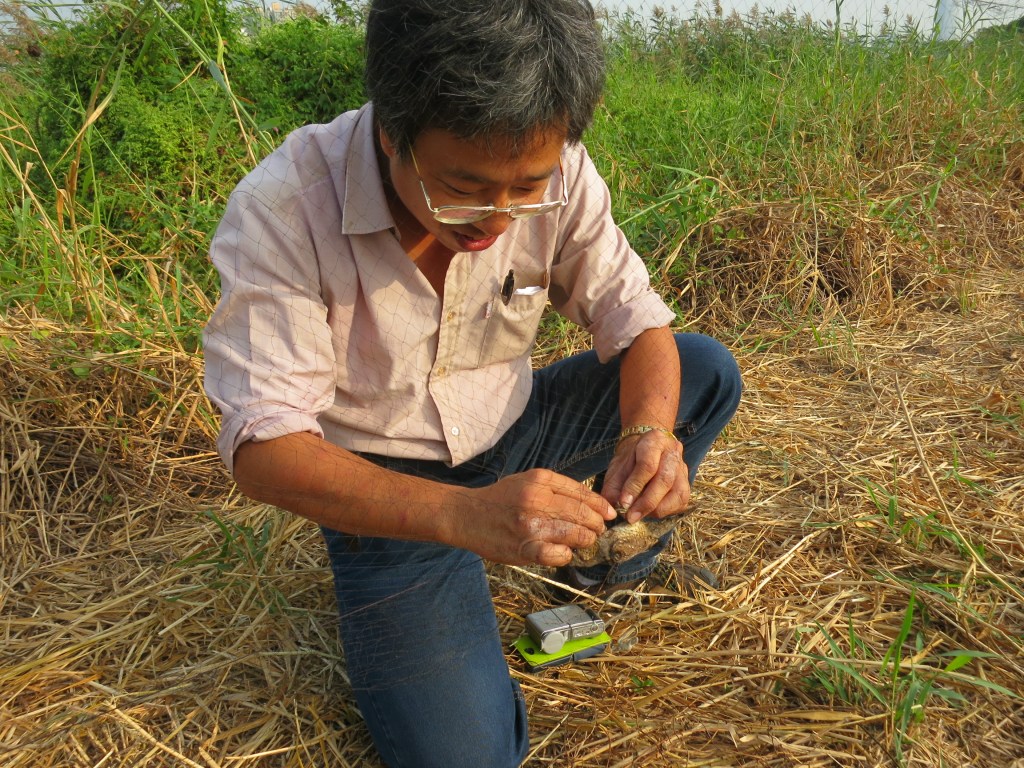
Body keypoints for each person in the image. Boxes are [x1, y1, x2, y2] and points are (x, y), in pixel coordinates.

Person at [202, 1, 741, 765]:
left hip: (515, 431)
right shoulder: (287, 209)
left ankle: (606, 568)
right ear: (391, 131)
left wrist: (648, 434)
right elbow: (266, 448)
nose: (498, 218)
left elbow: (638, 322)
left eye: (528, 187)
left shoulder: (555, 169)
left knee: (703, 371)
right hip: (390, 493)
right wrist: (465, 517)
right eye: (464, 185)